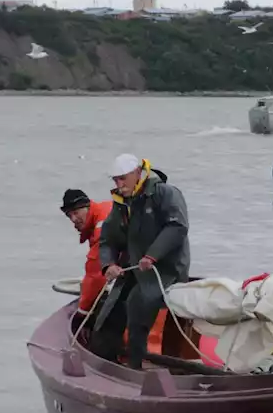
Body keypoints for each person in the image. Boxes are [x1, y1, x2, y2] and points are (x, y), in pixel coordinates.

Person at [93, 154, 190, 368]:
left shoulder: (165, 193)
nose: (118, 185)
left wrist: (152, 255)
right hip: (137, 268)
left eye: (122, 179)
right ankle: (107, 361)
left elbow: (177, 227)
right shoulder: (121, 204)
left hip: (167, 270)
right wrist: (109, 265)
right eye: (115, 180)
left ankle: (135, 367)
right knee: (110, 308)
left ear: (138, 173)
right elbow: (108, 239)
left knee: (137, 302)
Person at [59, 188, 114, 323]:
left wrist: (82, 312)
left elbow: (96, 274)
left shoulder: (101, 228)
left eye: (76, 213)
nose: (73, 219)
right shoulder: (106, 208)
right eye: (69, 216)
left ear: (87, 207)